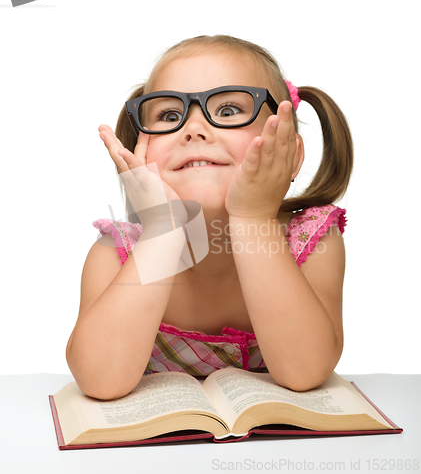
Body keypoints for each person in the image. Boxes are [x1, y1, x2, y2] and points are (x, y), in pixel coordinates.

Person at [66, 35, 353, 400]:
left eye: (228, 111)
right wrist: (163, 228)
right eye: (170, 115)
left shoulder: (312, 241)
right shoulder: (114, 254)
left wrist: (253, 218)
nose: (194, 130)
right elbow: (99, 381)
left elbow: (305, 370)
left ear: (290, 152)